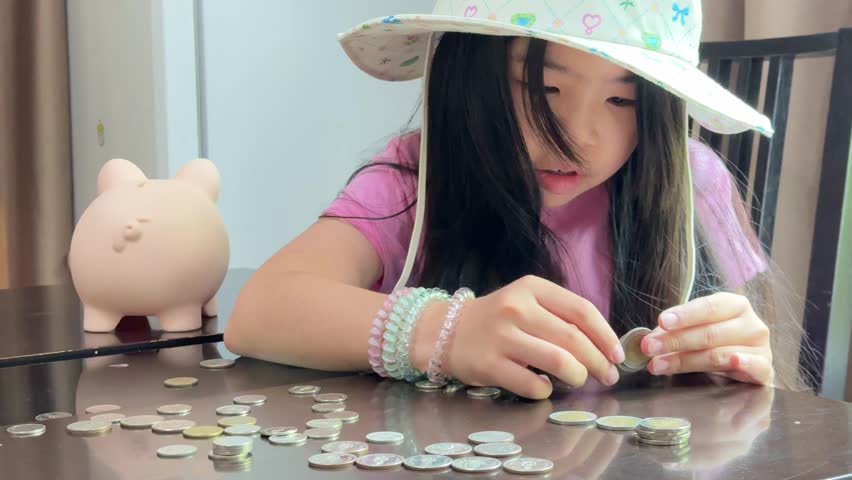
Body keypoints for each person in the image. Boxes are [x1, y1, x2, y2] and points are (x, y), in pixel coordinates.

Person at [225, 0, 811, 399]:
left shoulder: (694, 179)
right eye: (542, 87)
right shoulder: (414, 177)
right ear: (466, 76)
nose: (581, 137)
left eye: (624, 102)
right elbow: (259, 312)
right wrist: (444, 332)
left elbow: (759, 353)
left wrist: (743, 361)